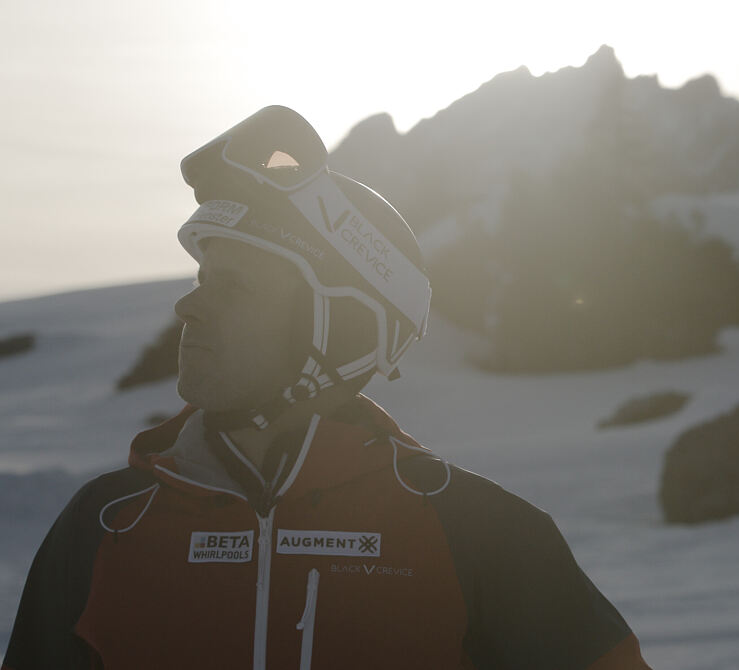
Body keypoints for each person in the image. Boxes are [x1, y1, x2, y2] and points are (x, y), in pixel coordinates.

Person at [3, 106, 650, 669]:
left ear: (339, 328)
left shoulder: (480, 533)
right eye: (203, 279)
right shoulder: (105, 524)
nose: (189, 309)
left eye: (234, 287)